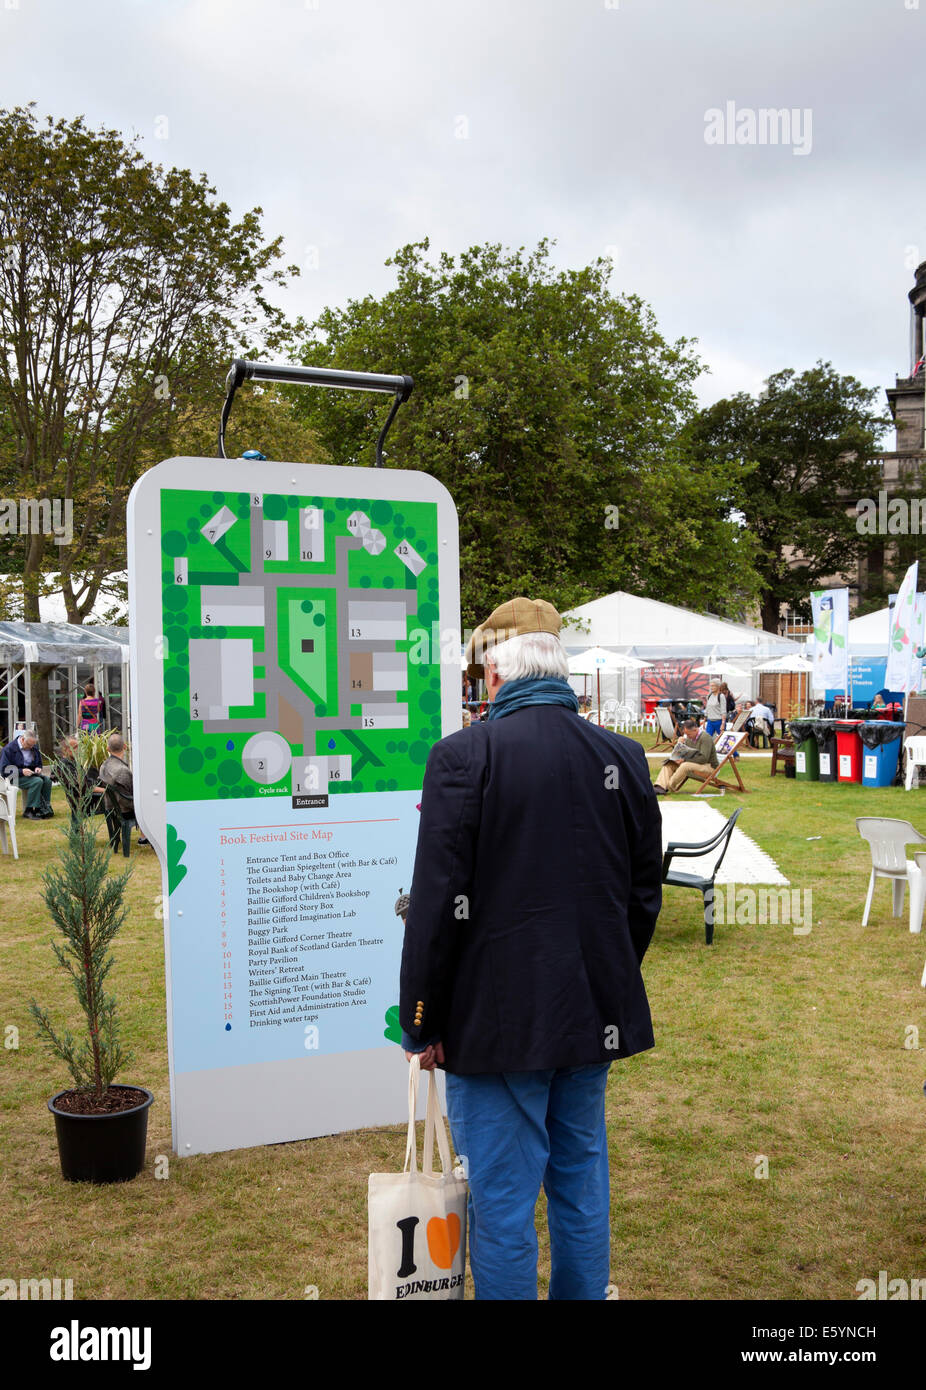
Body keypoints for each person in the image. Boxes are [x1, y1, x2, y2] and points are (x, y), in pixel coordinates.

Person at [399, 597, 662, 1301]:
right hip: (588, 1013)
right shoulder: (624, 756)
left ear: (493, 672)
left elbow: (434, 908)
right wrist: (603, 977)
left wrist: (422, 1019)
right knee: (580, 1185)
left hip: (495, 1026)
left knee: (504, 1205)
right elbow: (642, 896)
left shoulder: (464, 756)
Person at [98, 733, 148, 847]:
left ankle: (144, 836)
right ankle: (144, 837)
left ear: (107, 748)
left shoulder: (104, 765)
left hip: (110, 807)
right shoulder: (122, 770)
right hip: (123, 810)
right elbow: (131, 796)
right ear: (125, 746)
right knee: (151, 803)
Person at [653, 717, 719, 794]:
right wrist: (679, 746)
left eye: (688, 734)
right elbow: (685, 753)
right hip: (693, 764)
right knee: (669, 763)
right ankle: (660, 787)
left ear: (695, 730)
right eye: (685, 734)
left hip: (708, 767)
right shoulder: (689, 739)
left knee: (685, 765)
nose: (687, 736)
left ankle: (670, 786)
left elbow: (704, 758)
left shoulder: (705, 738)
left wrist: (684, 760)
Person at [0, 730, 53, 818]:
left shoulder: (33, 747)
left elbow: (39, 763)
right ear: (23, 739)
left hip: (30, 775)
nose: (31, 747)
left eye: (33, 745)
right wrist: (21, 771)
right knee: (37, 781)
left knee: (47, 780)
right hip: (13, 777)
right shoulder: (9, 749)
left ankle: (44, 807)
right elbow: (4, 770)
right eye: (29, 745)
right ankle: (29, 810)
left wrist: (38, 768)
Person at [55, 736, 107, 825]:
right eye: (75, 747)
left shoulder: (73, 762)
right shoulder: (64, 765)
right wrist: (104, 790)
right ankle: (117, 833)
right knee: (115, 801)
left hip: (87, 797)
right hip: (83, 801)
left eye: (78, 746)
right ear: (65, 750)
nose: (78, 749)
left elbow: (87, 780)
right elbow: (81, 787)